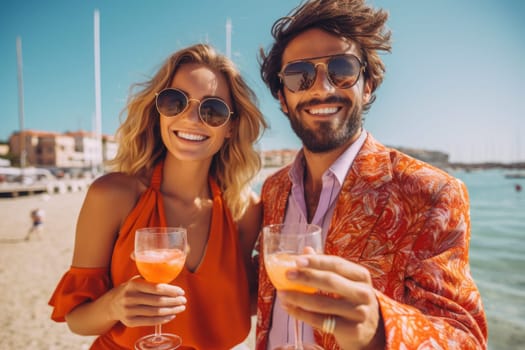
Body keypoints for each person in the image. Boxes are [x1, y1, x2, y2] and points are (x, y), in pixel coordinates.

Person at [256, 0, 488, 349]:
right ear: (282, 95)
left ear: (367, 86)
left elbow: (465, 338)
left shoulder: (431, 192)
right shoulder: (273, 190)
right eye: (299, 75)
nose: (321, 88)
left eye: (341, 68)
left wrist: (378, 327)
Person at [49, 43, 267, 349]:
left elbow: (242, 301)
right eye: (175, 101)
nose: (192, 118)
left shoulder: (243, 210)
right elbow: (76, 320)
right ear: (158, 112)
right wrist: (114, 305)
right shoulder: (112, 196)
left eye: (213, 110)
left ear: (231, 127)